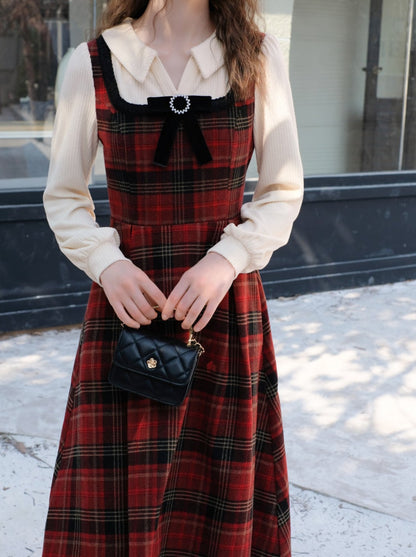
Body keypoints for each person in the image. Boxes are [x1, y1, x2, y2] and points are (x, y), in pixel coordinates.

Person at [42, 0, 303, 555]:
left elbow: (282, 191)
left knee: (215, 489)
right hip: (128, 309)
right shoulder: (91, 62)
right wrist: (107, 264)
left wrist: (225, 259)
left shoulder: (256, 56)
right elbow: (64, 196)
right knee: (118, 498)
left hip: (223, 308)